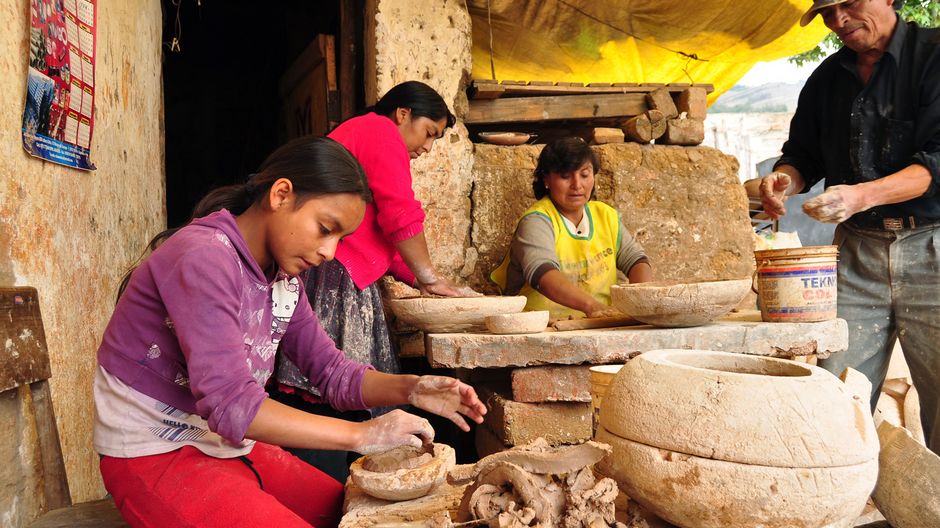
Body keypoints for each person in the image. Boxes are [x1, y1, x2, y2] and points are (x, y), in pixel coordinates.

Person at [94, 136, 487, 528]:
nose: (329, 252)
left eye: (339, 239)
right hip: (153, 454)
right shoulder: (204, 256)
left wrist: (412, 388)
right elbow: (231, 404)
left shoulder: (283, 280)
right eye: (324, 228)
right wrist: (363, 433)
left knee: (360, 512)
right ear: (281, 194)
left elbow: (332, 372)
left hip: (223, 445)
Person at [746, 0, 939, 453]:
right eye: (828, 13)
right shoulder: (827, 78)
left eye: (848, 5)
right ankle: (837, 509)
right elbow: (803, 154)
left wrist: (860, 195)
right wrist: (783, 181)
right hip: (856, 252)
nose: (838, 21)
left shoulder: (932, 56)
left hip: (932, 245)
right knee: (834, 398)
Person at [270, 81, 479, 481]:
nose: (427, 147)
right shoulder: (379, 130)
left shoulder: (367, 132)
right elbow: (400, 214)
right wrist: (428, 275)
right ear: (402, 114)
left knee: (343, 383)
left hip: (345, 273)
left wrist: (422, 281)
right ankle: (329, 480)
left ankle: (347, 476)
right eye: (429, 133)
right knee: (329, 385)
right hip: (335, 275)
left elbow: (382, 239)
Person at [490, 137, 653, 319]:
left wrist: (641, 302)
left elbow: (636, 260)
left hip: (600, 324)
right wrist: (591, 306)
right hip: (542, 328)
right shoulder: (537, 221)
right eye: (565, 176)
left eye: (584, 175)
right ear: (546, 180)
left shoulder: (606, 216)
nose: (577, 185)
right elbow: (542, 274)